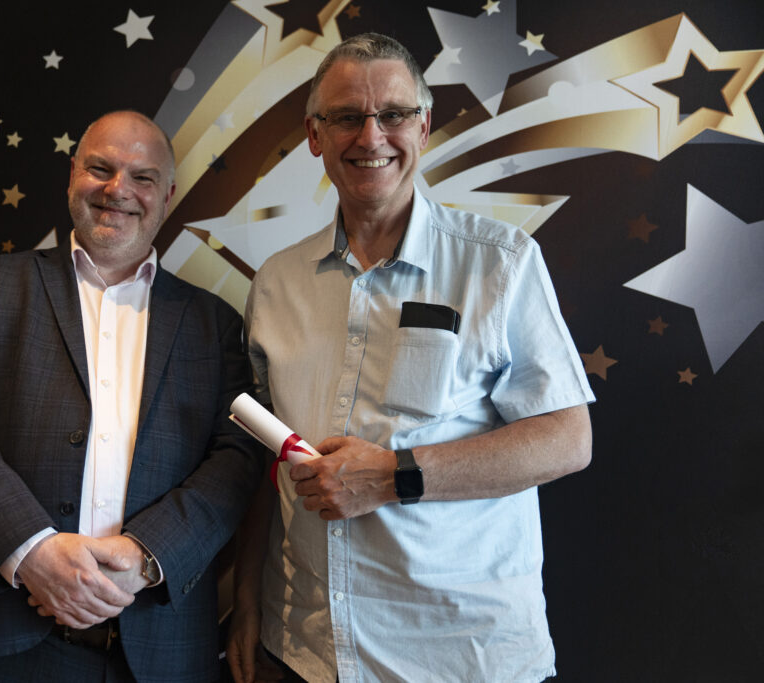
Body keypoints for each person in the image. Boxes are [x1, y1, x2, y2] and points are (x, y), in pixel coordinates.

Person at [226, 34, 595, 683]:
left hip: (462, 657)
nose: (371, 136)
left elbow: (567, 440)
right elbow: (267, 461)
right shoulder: (277, 284)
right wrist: (247, 594)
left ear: (423, 127)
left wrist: (396, 474)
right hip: (309, 653)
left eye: (393, 114)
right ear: (315, 135)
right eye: (346, 117)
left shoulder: (499, 264)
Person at [0, 110, 262, 682]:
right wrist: (31, 551)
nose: (117, 190)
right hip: (11, 637)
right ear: (71, 174)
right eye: (100, 169)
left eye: (141, 177)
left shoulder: (213, 323)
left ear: (168, 194)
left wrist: (147, 556)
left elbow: (238, 458)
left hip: (160, 646)